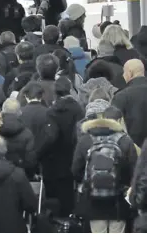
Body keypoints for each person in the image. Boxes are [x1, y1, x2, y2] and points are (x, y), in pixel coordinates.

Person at [72, 103, 138, 234]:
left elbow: (75, 169)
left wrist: (87, 183)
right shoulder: (125, 140)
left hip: (93, 200)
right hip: (118, 200)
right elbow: (134, 171)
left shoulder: (86, 139)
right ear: (119, 120)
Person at [39, 77, 84, 217]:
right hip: (71, 157)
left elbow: (49, 137)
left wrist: (37, 154)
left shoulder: (51, 111)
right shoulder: (78, 109)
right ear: (70, 89)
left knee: (54, 194)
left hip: (53, 160)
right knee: (69, 194)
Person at [112, 59, 147, 147]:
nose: (123, 75)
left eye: (124, 72)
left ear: (130, 73)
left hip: (133, 150)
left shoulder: (121, 96)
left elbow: (114, 127)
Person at [0, 97, 37, 177]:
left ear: (2, 111)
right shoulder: (27, 133)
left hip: (0, 175)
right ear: (19, 113)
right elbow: (30, 160)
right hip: (20, 176)